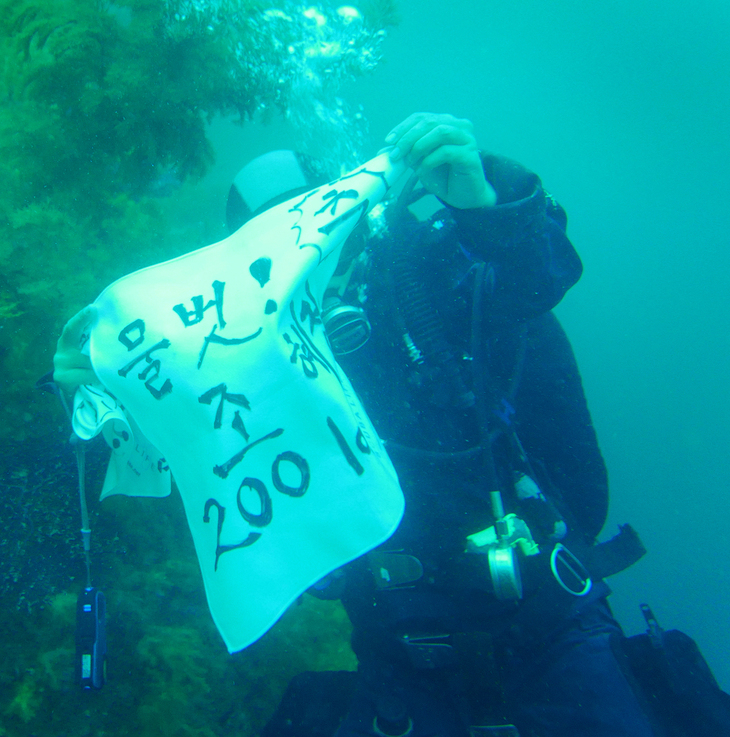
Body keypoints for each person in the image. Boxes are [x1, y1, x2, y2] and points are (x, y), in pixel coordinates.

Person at [225, 113, 652, 737]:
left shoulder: (425, 262)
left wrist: (485, 199)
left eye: (311, 224)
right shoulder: (251, 360)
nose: (301, 258)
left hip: (550, 621)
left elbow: (539, 273)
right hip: (399, 651)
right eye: (267, 248)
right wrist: (92, 386)